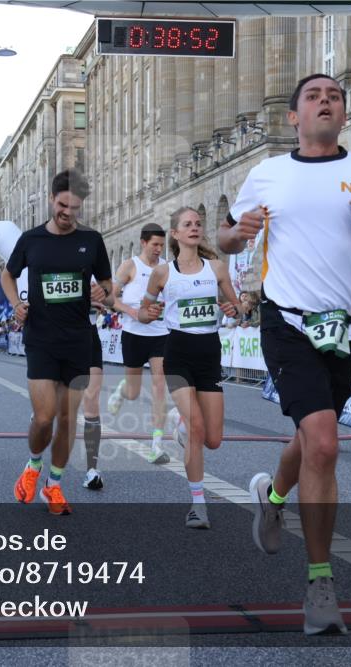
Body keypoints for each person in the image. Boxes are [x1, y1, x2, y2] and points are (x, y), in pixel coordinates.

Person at [219, 73, 351, 635]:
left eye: (334, 96)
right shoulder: (267, 174)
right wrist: (241, 232)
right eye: (314, 96)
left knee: (312, 438)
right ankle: (321, 584)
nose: (325, 102)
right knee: (326, 442)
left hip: (346, 329)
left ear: (344, 114)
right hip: (286, 324)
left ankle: (273, 495)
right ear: (294, 117)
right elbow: (227, 237)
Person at [0, 169, 114, 516]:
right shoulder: (31, 240)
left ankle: (54, 485)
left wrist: (103, 292)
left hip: (78, 340)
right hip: (42, 339)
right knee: (44, 417)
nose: (67, 213)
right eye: (62, 205)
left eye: (74, 207)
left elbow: (108, 287)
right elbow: (7, 274)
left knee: (68, 418)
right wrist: (17, 304)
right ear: (52, 200)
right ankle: (33, 466)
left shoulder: (92, 240)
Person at [139, 207, 241, 530]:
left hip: (209, 353)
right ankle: (198, 504)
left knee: (213, 439)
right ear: (176, 234)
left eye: (198, 224)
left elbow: (238, 311)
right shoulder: (163, 273)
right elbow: (143, 312)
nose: (194, 228)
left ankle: (180, 426)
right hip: (178, 353)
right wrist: (149, 311)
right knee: (198, 428)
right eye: (187, 224)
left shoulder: (217, 269)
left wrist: (232, 310)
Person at [106, 222, 171, 465]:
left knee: (159, 387)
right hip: (134, 334)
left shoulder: (166, 268)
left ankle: (157, 445)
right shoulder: (130, 266)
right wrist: (132, 313)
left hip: (160, 333)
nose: (158, 249)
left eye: (161, 245)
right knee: (133, 392)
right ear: (143, 242)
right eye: (154, 244)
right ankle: (122, 391)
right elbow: (110, 297)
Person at [81, 302, 106, 490]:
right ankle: (36, 463)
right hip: (57, 335)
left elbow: (112, 297)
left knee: (91, 399)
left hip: (88, 335)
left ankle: (92, 470)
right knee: (51, 409)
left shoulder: (95, 274)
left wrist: (106, 298)